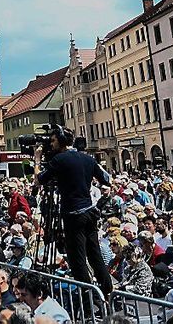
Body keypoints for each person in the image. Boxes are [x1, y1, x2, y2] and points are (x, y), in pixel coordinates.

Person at [33, 125, 112, 295]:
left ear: (61, 140)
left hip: (73, 214)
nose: (51, 144)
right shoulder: (88, 158)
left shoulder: (59, 160)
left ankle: (90, 297)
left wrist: (37, 160)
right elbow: (106, 179)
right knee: (94, 254)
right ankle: (107, 292)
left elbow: (39, 181)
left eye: (53, 140)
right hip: (90, 212)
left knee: (77, 260)